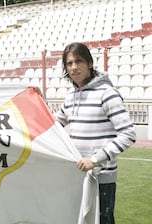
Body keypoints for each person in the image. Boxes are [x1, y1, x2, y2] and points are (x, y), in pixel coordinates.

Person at [54, 42, 136, 224]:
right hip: (77, 175)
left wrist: (95, 160)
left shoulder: (107, 93)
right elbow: (53, 126)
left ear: (89, 63)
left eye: (79, 61)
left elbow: (128, 134)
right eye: (69, 63)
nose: (74, 67)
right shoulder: (70, 97)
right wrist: (36, 100)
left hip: (101, 177)